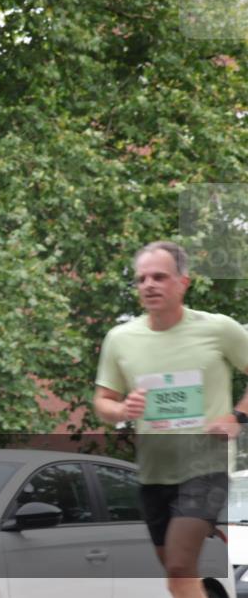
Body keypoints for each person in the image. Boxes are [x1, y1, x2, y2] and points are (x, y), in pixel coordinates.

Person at [93, 240, 248, 598]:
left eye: (159, 276)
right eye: (141, 279)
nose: (148, 285)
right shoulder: (121, 339)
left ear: (184, 283)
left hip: (204, 468)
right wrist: (122, 410)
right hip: (153, 474)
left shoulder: (217, 329)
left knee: (179, 564)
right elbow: (103, 402)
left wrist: (236, 416)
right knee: (177, 576)